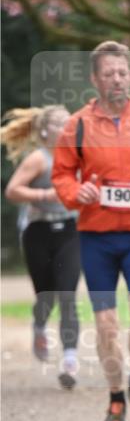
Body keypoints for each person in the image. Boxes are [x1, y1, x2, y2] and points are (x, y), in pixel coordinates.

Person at [51, 40, 130, 421]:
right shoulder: (78, 125)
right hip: (97, 238)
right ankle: (116, 395)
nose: (116, 79)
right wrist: (75, 193)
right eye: (108, 74)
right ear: (95, 79)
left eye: (122, 72)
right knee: (105, 324)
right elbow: (62, 174)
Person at [2, 105, 81, 389]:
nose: (66, 128)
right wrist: (45, 193)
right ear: (46, 130)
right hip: (37, 232)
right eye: (60, 124)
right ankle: (39, 325)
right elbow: (12, 190)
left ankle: (70, 360)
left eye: (69, 123)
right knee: (46, 295)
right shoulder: (38, 158)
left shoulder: (77, 157)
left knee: (68, 293)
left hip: (71, 231)